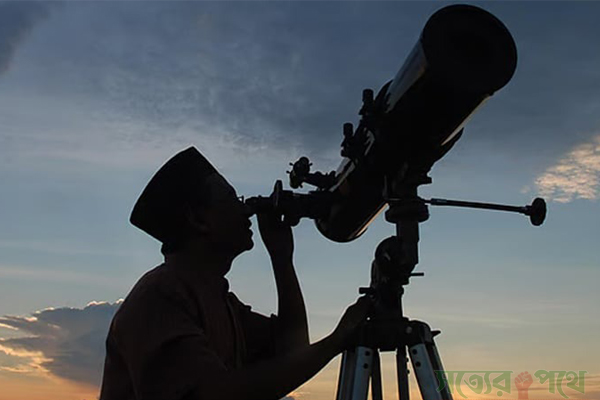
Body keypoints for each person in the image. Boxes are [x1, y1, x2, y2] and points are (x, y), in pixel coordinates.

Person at [99, 146, 371, 400]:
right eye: (233, 198)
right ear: (198, 219)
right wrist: (337, 340)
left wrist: (282, 259)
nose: (247, 208)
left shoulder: (220, 301)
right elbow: (218, 393)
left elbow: (293, 351)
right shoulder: (160, 296)